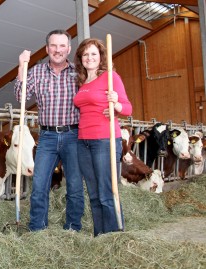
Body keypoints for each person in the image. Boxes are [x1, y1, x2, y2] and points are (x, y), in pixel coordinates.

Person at [14, 29, 84, 232]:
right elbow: (21, 96)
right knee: (39, 185)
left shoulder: (78, 73)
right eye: (53, 45)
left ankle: (73, 228)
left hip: (73, 135)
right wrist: (22, 65)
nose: (58, 50)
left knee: (75, 186)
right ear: (47, 49)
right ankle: (37, 229)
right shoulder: (35, 71)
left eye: (62, 46)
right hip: (47, 136)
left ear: (69, 49)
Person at [73, 38, 132, 236]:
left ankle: (115, 236)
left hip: (104, 139)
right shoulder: (81, 82)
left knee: (107, 192)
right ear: (81, 58)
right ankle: (100, 235)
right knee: (94, 193)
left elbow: (128, 108)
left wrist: (116, 106)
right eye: (86, 54)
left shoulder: (110, 77)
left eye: (93, 54)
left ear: (101, 58)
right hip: (83, 141)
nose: (89, 58)